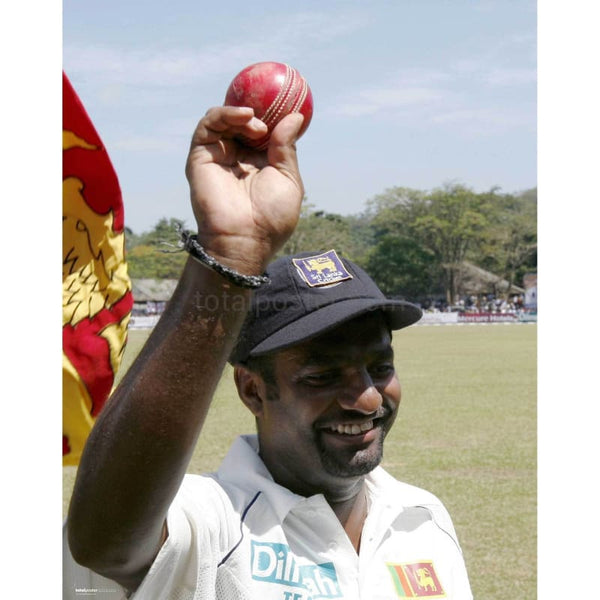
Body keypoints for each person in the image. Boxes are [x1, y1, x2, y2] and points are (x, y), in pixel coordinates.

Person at [64, 106, 473, 599]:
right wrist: (229, 249)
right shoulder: (213, 521)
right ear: (252, 389)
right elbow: (105, 542)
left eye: (380, 367)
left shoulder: (422, 517)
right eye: (322, 376)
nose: (366, 399)